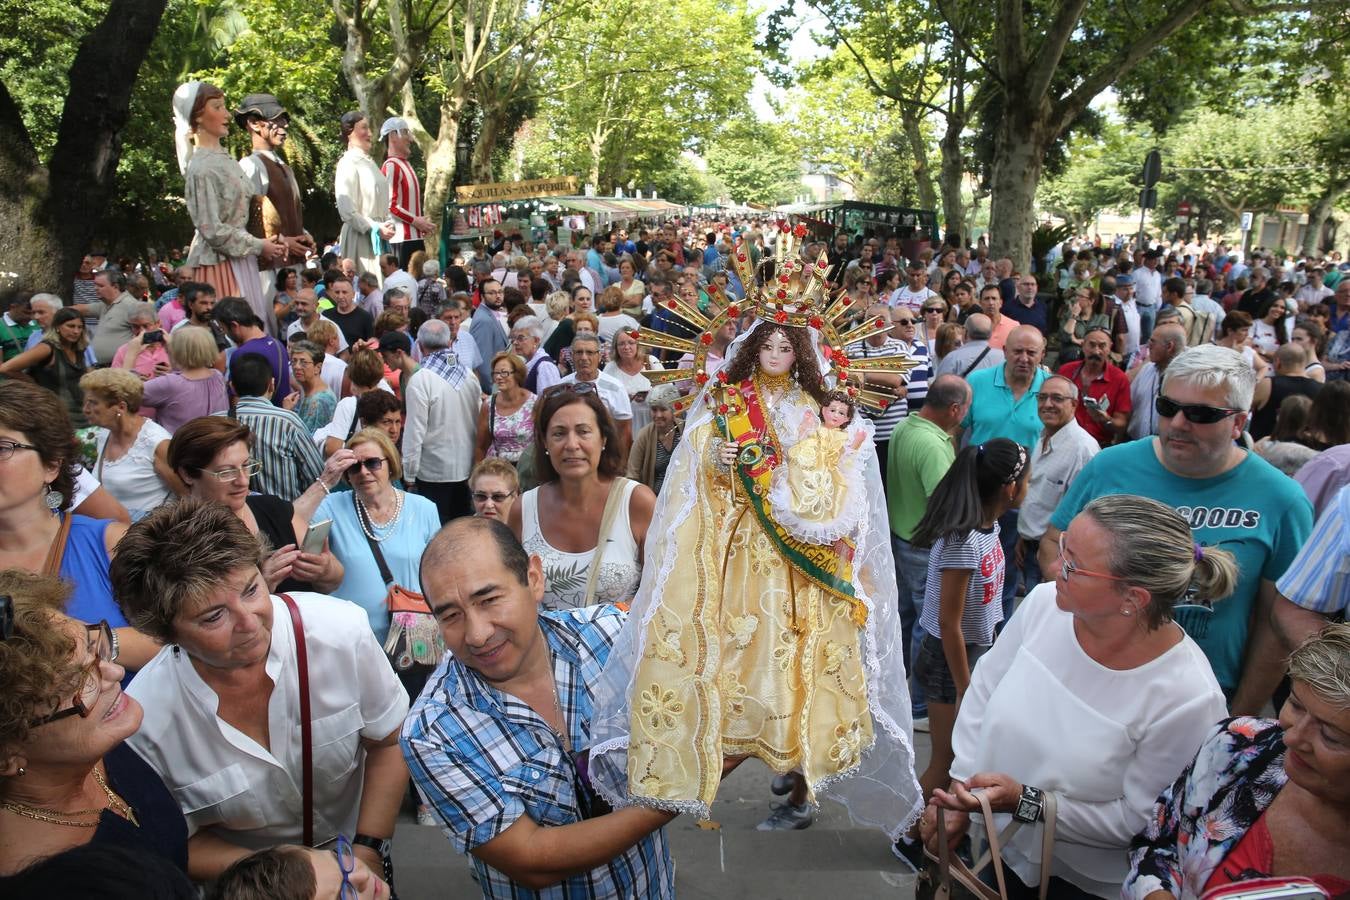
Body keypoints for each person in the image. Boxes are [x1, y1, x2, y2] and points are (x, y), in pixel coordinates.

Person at [585, 282, 921, 838]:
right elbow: (696, 468)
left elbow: (838, 468)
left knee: (797, 646)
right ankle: (727, 734)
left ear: (802, 352)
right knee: (733, 639)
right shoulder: (729, 399)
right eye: (766, 348)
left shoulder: (817, 405)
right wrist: (716, 458)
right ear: (749, 349)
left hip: (797, 547)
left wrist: (811, 482)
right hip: (738, 542)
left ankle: (795, 750)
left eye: (786, 349)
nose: (775, 358)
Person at [925, 496, 1233, 898]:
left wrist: (1025, 802)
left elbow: (1137, 819)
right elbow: (985, 687)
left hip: (1082, 883)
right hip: (996, 848)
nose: (1054, 569)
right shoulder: (1043, 606)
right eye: (1063, 548)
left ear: (1133, 599)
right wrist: (960, 786)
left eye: (1072, 566)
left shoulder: (1188, 699)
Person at [112, 498, 410, 882]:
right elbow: (174, 842)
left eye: (252, 590)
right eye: (214, 616)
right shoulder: (147, 720)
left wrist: (369, 849)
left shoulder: (340, 632)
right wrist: (286, 876)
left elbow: (388, 740)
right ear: (165, 633)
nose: (249, 623)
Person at [402, 518, 681, 897]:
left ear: (534, 578)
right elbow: (532, 860)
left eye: (489, 599)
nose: (477, 633)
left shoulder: (614, 636)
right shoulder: (432, 732)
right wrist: (680, 793)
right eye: (450, 615)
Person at [1041, 345, 1314, 712]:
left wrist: (1237, 718)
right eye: (1168, 408)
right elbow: (1052, 544)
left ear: (1239, 422)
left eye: (1201, 413)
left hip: (1199, 702)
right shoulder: (1109, 467)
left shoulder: (1282, 500)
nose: (1179, 424)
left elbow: (1274, 622)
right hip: (1087, 685)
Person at [1124, 624, 1350, 898]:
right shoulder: (1238, 745)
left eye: (1330, 736)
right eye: (1296, 704)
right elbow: (1158, 842)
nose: (1293, 737)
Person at [0, 572, 187, 877]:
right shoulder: (42, 879)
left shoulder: (93, 747)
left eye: (92, 646)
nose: (114, 672)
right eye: (80, 684)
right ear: (8, 755)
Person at [902, 438, 1028, 866]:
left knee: (957, 753)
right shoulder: (962, 541)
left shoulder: (989, 527)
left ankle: (927, 828)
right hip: (948, 660)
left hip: (971, 654)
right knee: (945, 759)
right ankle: (908, 834)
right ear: (1010, 488)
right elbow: (950, 624)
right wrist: (966, 687)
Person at [0, 381, 158, 667]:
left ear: (52, 465)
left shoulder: (111, 544)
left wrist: (84, 639)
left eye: (2, 448)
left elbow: (173, 641)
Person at [508, 386, 653, 610]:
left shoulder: (636, 502)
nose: (572, 445)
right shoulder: (524, 509)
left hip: (621, 643)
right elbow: (512, 591)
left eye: (583, 431)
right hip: (545, 645)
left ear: (603, 438)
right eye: (559, 433)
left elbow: (659, 588)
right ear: (545, 443)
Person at [169, 416, 344, 594]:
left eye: (246, 466)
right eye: (226, 472)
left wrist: (325, 570)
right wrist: (259, 586)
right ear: (187, 474)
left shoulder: (273, 509)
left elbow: (335, 579)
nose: (243, 481)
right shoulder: (177, 541)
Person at [172, 82, 284, 336]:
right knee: (233, 333)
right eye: (217, 107)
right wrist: (258, 245)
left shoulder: (223, 158)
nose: (226, 114)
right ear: (198, 117)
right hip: (220, 266)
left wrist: (271, 239)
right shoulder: (201, 168)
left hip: (240, 257)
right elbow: (211, 229)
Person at [313, 427, 441, 643]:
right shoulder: (331, 507)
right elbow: (291, 522)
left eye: (372, 463)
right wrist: (324, 481)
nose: (363, 472)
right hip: (352, 641)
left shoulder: (424, 509)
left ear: (390, 464)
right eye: (354, 466)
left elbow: (439, 573)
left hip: (411, 641)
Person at [1018, 375, 1098, 590]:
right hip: (1029, 549)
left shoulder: (1083, 449)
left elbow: (1086, 513)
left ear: (1074, 404)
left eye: (1056, 398)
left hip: (1057, 557)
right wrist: (1023, 534)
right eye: (1042, 397)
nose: (1047, 404)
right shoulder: (1042, 436)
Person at [234, 94, 315, 307]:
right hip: (270, 270)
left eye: (284, 120)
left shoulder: (285, 167)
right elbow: (248, 221)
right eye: (276, 120)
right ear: (253, 123)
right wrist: (284, 241)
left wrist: (304, 235)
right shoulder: (251, 165)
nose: (284, 126)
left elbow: (284, 213)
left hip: (292, 267)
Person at [403, 319, 482, 522]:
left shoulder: (421, 379)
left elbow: (415, 431)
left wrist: (409, 473)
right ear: (449, 343)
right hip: (467, 466)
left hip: (433, 473)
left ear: (419, 346)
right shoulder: (469, 375)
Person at [79, 369, 183, 521]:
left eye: (93, 403)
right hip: (113, 531)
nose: (85, 410)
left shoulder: (157, 443)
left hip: (148, 536)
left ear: (121, 407)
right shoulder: (104, 434)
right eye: (86, 402)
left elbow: (187, 497)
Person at [230, 352, 325, 501]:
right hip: (284, 518)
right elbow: (318, 477)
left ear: (232, 387)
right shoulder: (288, 422)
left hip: (228, 519)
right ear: (271, 384)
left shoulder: (214, 421)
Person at [0, 307, 91, 427]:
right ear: (57, 327)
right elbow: (6, 368)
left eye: (79, 327)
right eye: (70, 326)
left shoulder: (79, 348)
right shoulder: (47, 348)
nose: (76, 331)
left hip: (82, 412)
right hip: (55, 415)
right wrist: (33, 383)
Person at [334, 111, 393, 284]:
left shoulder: (370, 162)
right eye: (364, 128)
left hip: (379, 239)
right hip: (360, 239)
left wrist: (387, 222)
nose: (369, 133)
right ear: (349, 132)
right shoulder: (348, 163)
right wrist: (375, 227)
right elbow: (347, 211)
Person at [557, 333, 634, 457]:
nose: (584, 357)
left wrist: (620, 463)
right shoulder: (561, 386)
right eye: (579, 352)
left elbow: (624, 430)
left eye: (590, 352)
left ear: (599, 356)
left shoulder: (615, 387)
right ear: (572, 356)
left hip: (605, 455)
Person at [1056, 327, 1130, 447]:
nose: (1096, 351)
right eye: (1092, 345)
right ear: (1083, 345)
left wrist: (1105, 419)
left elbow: (1121, 424)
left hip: (1098, 446)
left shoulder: (1119, 379)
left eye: (1102, 346)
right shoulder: (1066, 371)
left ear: (1110, 347)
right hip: (1063, 441)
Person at [378, 117, 434, 270]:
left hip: (412, 240)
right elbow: (391, 205)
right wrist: (417, 221)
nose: (410, 138)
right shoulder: (391, 166)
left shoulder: (404, 164)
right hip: (401, 241)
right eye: (405, 132)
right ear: (392, 136)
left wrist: (420, 223)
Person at [216, 297, 292, 404]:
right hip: (279, 416)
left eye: (223, 328)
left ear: (234, 326)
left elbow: (238, 400)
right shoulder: (277, 344)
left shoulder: (242, 354)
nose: (224, 334)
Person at [1126, 322, 1188, 440]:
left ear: (1169, 346)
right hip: (1136, 444)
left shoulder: (1187, 377)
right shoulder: (1146, 369)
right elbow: (1129, 404)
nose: (1148, 346)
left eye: (1153, 342)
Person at [1249, 342, 1322, 442]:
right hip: (1305, 450)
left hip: (1264, 449)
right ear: (1304, 363)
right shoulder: (1320, 389)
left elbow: (1244, 408)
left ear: (1278, 362)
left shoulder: (1268, 384)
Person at [475, 351, 535, 464]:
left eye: (504, 373)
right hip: (499, 470)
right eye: (495, 373)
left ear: (517, 374)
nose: (498, 377)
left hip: (528, 469)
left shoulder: (534, 403)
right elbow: (481, 446)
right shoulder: (489, 405)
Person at [625, 383, 683, 495]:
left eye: (663, 409)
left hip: (681, 497)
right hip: (654, 500)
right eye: (654, 409)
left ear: (673, 409)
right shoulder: (644, 436)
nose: (658, 415)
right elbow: (632, 475)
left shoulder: (685, 430)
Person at [284, 340, 337, 434]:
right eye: (294, 361)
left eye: (303, 362)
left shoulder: (320, 401)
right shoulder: (307, 391)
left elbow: (306, 441)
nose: (297, 366)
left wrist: (287, 413)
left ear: (318, 368)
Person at [932, 313, 1004, 380]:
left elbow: (941, 389)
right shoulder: (1003, 358)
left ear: (965, 332)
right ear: (990, 334)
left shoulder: (952, 359)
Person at [469, 278, 509, 390]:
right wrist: (493, 391)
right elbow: (483, 363)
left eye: (500, 292)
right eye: (492, 293)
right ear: (482, 296)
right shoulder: (484, 320)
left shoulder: (489, 314)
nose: (498, 296)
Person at [508, 316, 560, 394]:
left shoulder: (545, 366)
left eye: (520, 338)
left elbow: (549, 400)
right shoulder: (529, 362)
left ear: (536, 340)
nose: (515, 342)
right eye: (514, 338)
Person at [469, 457, 520, 522]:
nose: (489, 504)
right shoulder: (462, 530)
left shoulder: (529, 530)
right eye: (481, 496)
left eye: (498, 496)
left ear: (515, 496)